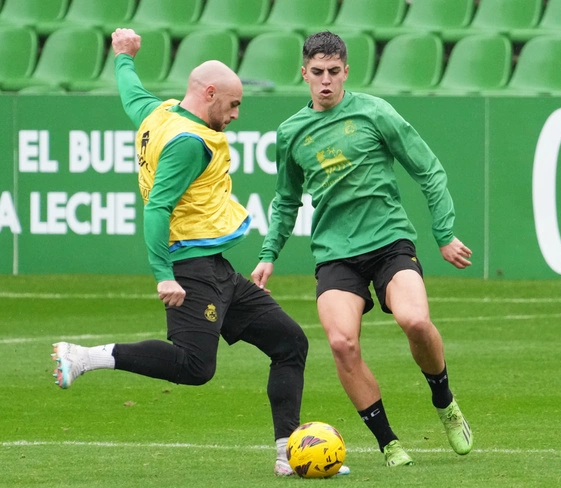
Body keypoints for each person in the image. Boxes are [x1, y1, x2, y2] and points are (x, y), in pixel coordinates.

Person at [50, 28, 344, 478]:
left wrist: (124, 58)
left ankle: (289, 454)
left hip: (218, 269)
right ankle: (84, 357)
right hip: (190, 267)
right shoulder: (188, 143)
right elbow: (157, 207)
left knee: (290, 343)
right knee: (193, 366)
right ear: (209, 94)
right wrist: (163, 273)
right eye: (233, 104)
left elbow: (132, 96)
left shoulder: (160, 113)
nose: (236, 114)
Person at [251, 31, 474, 468]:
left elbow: (427, 169)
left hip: (390, 241)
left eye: (334, 72)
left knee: (414, 319)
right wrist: (268, 254)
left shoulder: (375, 112)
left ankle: (444, 400)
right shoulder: (291, 133)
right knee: (341, 343)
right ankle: (389, 443)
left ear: (346, 71)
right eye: (317, 73)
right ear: (304, 74)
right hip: (335, 254)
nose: (326, 81)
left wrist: (444, 233)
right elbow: (286, 200)